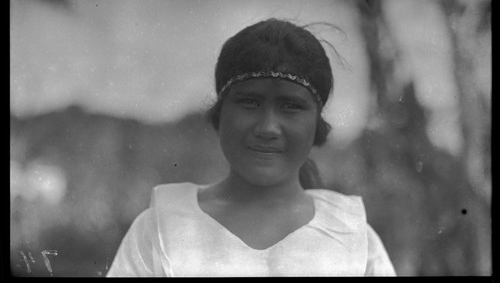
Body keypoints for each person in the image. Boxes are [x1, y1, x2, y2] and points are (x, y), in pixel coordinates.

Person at [107, 18, 396, 277]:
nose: (268, 128)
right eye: (250, 102)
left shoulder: (354, 241)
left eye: (291, 106)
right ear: (220, 114)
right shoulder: (160, 231)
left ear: (316, 125)